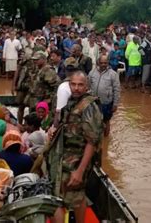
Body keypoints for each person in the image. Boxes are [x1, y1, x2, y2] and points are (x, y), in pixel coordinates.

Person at [47, 71, 103, 223]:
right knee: (59, 195)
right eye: (73, 84)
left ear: (87, 86)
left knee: (76, 197)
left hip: (77, 160)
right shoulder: (72, 102)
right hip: (63, 157)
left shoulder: (89, 106)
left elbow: (92, 142)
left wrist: (80, 171)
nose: (76, 88)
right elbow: (68, 126)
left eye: (80, 85)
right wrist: (54, 130)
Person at [88, 55, 121, 136]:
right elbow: (87, 86)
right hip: (93, 102)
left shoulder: (113, 74)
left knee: (106, 121)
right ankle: (96, 139)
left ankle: (106, 140)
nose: (103, 64)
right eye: (101, 63)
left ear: (108, 63)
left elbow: (117, 90)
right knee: (93, 121)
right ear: (98, 62)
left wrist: (115, 104)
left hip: (106, 103)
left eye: (105, 63)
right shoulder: (92, 73)